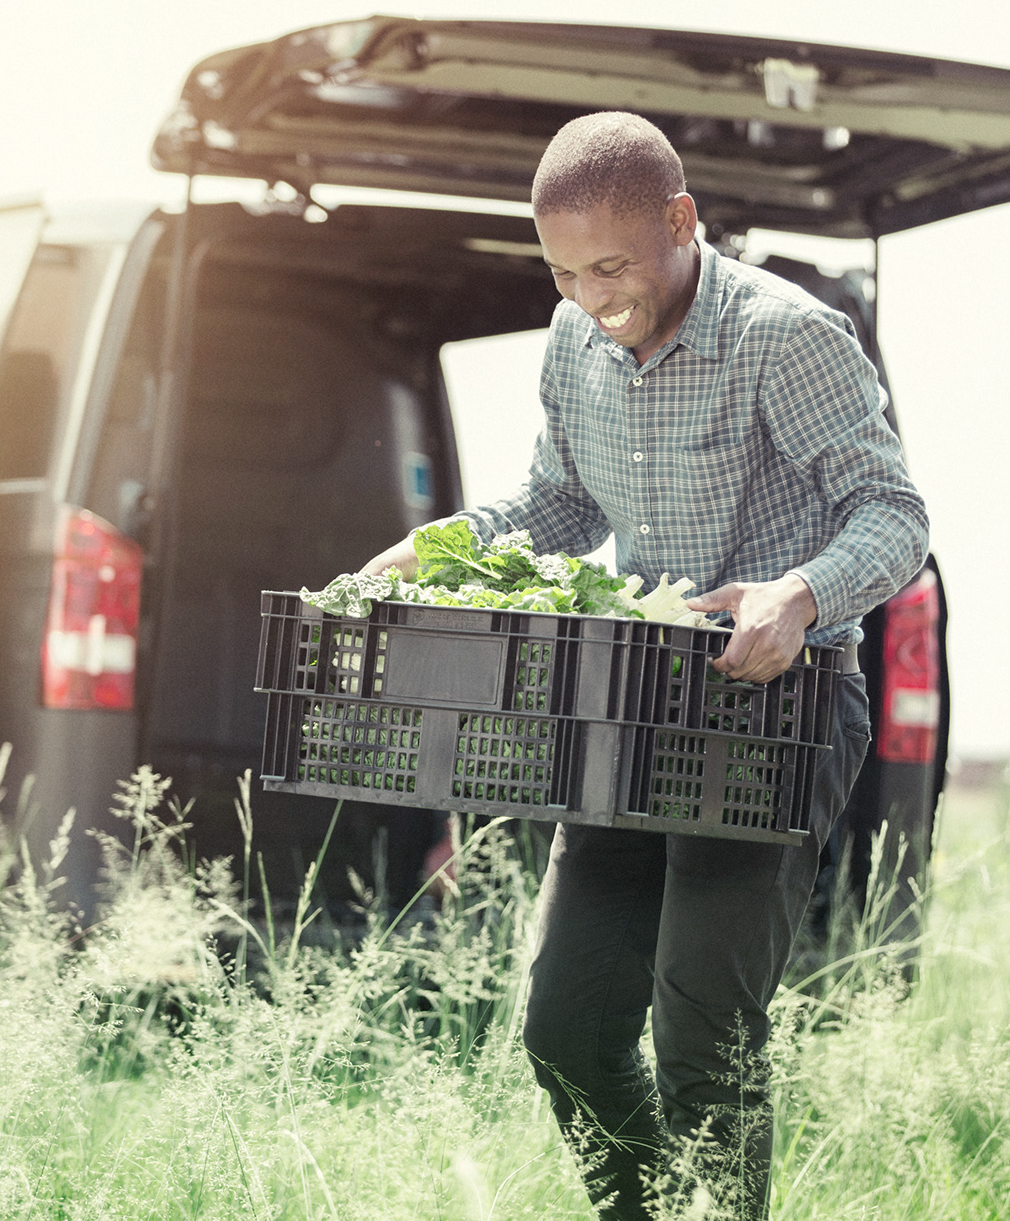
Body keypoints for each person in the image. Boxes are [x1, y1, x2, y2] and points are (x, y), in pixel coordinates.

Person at [360, 111, 929, 1219]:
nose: (588, 295)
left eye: (611, 266)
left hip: (780, 711)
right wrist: (440, 547)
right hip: (633, 710)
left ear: (681, 221)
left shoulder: (785, 335)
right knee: (567, 1029)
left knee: (701, 1036)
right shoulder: (573, 341)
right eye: (564, 271)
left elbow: (894, 513)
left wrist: (799, 592)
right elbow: (559, 504)